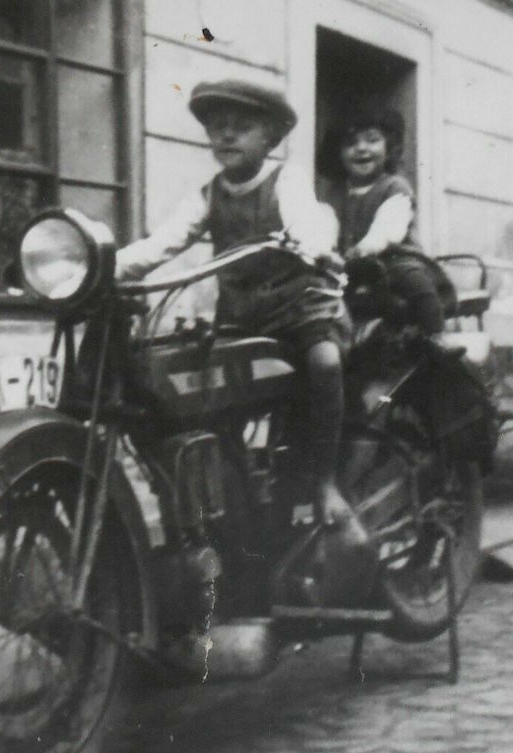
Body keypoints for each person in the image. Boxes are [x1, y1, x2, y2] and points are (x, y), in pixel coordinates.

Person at [116, 79, 366, 547]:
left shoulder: (285, 179)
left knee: (324, 363)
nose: (227, 135)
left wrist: (314, 244)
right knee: (204, 393)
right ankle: (232, 506)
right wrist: (98, 269)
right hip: (243, 318)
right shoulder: (208, 195)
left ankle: (325, 482)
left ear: (269, 138)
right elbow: (162, 242)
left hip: (303, 309)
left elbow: (306, 218)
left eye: (242, 127)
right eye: (217, 127)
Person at [317, 101, 450, 336]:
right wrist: (326, 251)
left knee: (414, 281)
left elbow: (389, 227)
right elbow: (325, 223)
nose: (361, 148)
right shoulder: (333, 194)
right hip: (350, 264)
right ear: (338, 153)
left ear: (389, 147)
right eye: (351, 143)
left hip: (394, 258)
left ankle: (435, 335)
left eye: (372, 140)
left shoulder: (394, 187)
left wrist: (367, 247)